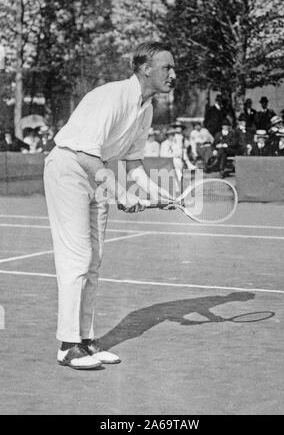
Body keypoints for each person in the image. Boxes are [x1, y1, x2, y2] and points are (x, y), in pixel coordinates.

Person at [43, 42, 176, 370]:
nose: (173, 74)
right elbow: (86, 154)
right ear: (146, 68)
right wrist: (120, 193)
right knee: (77, 257)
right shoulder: (112, 96)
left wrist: (162, 193)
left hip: (96, 172)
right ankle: (67, 345)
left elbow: (134, 165)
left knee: (95, 262)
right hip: (69, 168)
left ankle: (85, 342)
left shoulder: (146, 108)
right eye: (167, 68)